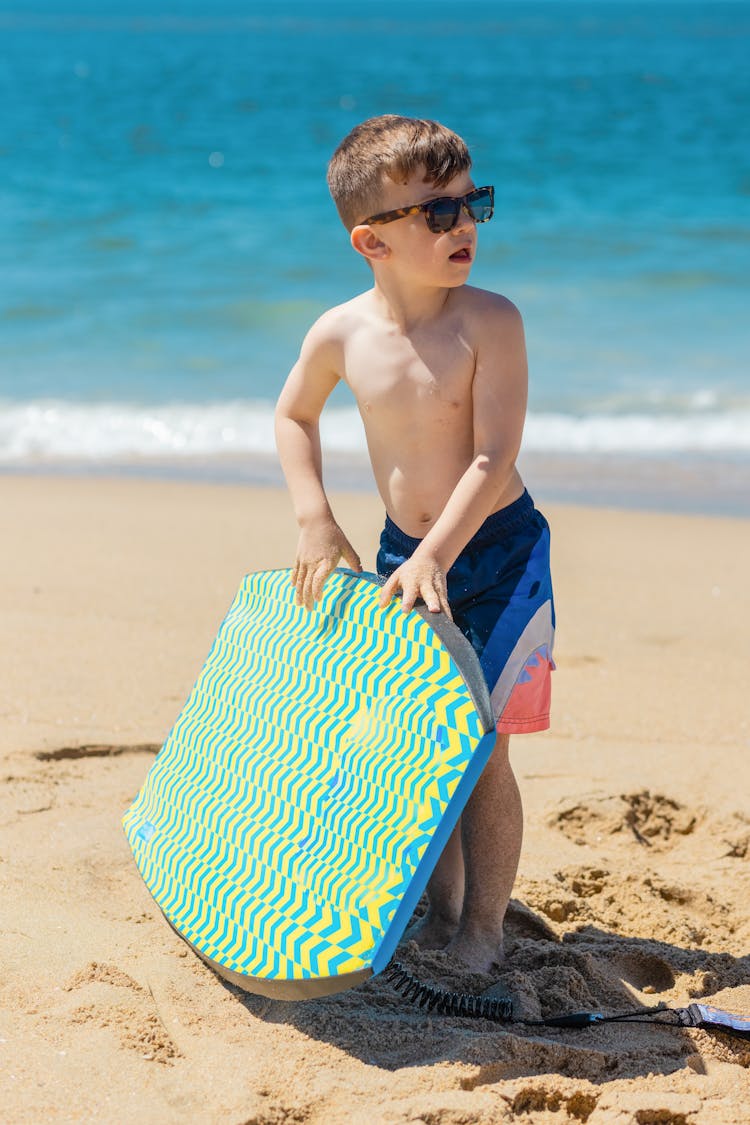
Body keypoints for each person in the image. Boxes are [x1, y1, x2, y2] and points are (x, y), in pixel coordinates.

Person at [274, 115, 554, 973]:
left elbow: (491, 453)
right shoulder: (341, 333)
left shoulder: (489, 322)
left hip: (497, 551)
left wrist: (439, 551)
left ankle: (482, 931)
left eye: (475, 204)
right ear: (372, 240)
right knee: (425, 739)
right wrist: (316, 516)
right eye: (438, 214)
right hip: (404, 554)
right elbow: (293, 415)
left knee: (485, 745)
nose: (464, 224)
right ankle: (441, 911)